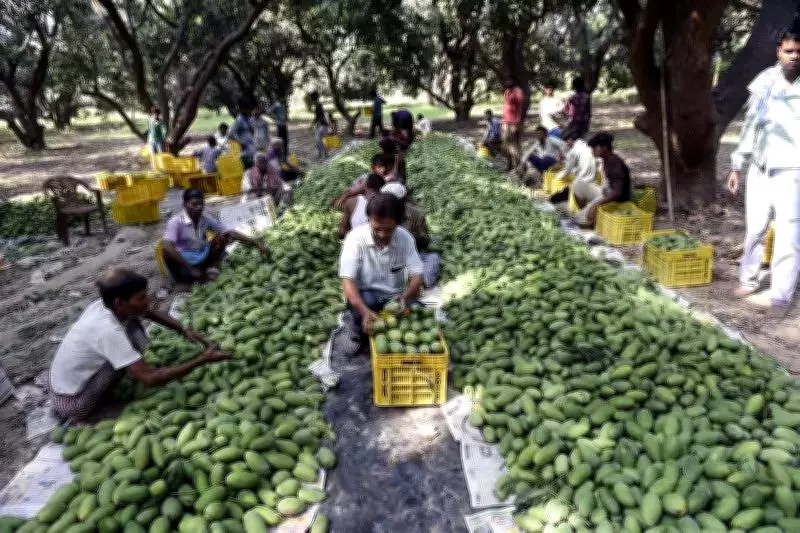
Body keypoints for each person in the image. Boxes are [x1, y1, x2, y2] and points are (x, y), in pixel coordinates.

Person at [49, 268, 230, 421]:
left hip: (64, 383)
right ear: (119, 302)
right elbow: (150, 380)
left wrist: (184, 330)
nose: (148, 301)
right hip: (72, 401)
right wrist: (201, 360)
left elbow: (149, 313)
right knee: (128, 358)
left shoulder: (106, 304)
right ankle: (99, 410)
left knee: (132, 324)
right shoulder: (107, 330)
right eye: (141, 298)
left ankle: (128, 373)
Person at [727, 20, 800, 317]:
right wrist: (737, 165)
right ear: (778, 51)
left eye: (799, 51)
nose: (794, 56)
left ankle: (781, 296)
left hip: (792, 169)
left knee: (788, 232)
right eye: (789, 51)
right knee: (755, 227)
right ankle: (749, 279)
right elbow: (751, 126)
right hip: (760, 166)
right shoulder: (765, 80)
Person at [338, 193, 424, 349]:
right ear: (369, 219)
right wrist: (364, 312)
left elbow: (417, 275)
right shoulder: (355, 239)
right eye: (377, 229)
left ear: (398, 223)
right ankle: (360, 331)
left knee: (418, 308)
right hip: (367, 295)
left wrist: (406, 296)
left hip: (395, 296)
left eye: (388, 229)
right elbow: (347, 282)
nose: (383, 234)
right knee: (364, 304)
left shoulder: (405, 238)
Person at [162, 189, 269, 282]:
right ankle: (184, 276)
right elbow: (166, 244)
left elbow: (229, 232)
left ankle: (206, 268)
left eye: (201, 204)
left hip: (201, 255)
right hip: (185, 260)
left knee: (222, 238)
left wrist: (255, 242)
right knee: (166, 251)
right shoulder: (176, 222)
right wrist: (190, 268)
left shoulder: (204, 219)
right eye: (194, 204)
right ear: (185, 204)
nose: (198, 208)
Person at [381, 182, 440, 288]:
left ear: (403, 200)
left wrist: (411, 239)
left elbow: (425, 240)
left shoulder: (416, 213)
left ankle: (419, 283)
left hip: (411, 256)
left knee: (433, 258)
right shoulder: (378, 213)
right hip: (387, 258)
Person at [571, 132, 631, 227]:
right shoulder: (605, 160)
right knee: (577, 184)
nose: (592, 151)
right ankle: (588, 213)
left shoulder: (615, 164)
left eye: (595, 148)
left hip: (616, 201)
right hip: (605, 192)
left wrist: (596, 205)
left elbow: (617, 193)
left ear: (604, 147)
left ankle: (591, 219)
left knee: (579, 220)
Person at [550, 127, 597, 204]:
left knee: (553, 198)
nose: (566, 144)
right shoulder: (586, 145)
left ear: (570, 140)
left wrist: (558, 176)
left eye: (566, 142)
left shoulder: (574, 152)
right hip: (592, 181)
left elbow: (567, 171)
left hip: (582, 184)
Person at [332, 153, 396, 209]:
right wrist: (343, 197)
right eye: (380, 167)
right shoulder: (367, 178)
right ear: (372, 167)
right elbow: (351, 191)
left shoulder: (390, 178)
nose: (383, 170)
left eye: (386, 167)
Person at [337, 172, 386, 238]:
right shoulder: (388, 204)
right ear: (382, 188)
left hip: (357, 245)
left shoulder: (351, 202)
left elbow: (342, 231)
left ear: (365, 185)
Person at [502, 79, 525, 170]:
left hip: (514, 122)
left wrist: (519, 121)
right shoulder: (507, 91)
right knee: (506, 144)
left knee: (514, 145)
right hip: (506, 121)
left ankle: (520, 165)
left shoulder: (518, 92)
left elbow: (521, 106)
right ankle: (510, 164)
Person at [310, 91, 329, 159]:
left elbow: (319, 116)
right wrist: (314, 123)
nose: (310, 99)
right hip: (323, 125)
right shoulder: (318, 105)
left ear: (313, 98)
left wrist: (315, 123)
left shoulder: (318, 105)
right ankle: (324, 154)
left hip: (322, 125)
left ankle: (322, 154)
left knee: (318, 140)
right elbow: (319, 116)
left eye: (311, 97)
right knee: (320, 140)